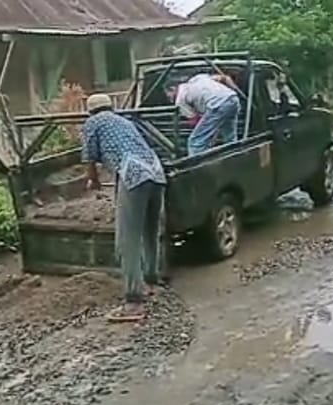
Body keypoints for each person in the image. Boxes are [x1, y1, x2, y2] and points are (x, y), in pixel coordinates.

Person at [82, 94, 166, 322]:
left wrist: (93, 180)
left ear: (90, 110)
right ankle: (151, 281)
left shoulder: (93, 122)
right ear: (111, 106)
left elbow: (89, 158)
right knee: (149, 231)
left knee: (127, 239)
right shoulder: (125, 121)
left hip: (133, 174)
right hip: (156, 171)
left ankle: (133, 301)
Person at [168, 72, 241, 156]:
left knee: (195, 142)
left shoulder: (180, 99)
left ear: (172, 89)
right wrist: (235, 91)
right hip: (232, 99)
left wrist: (209, 135)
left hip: (217, 105)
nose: (169, 99)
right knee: (230, 137)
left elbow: (195, 121)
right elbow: (225, 78)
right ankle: (235, 157)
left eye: (168, 95)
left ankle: (196, 166)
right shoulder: (199, 78)